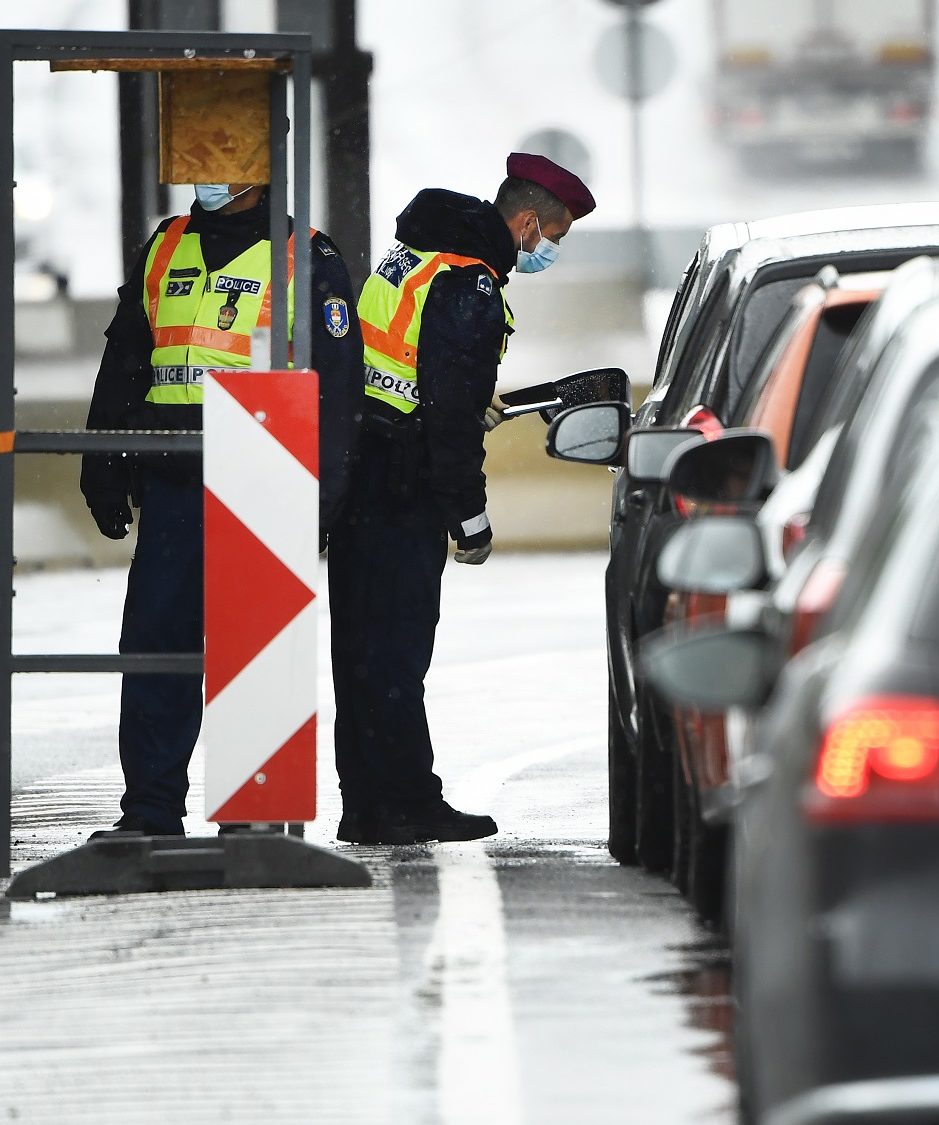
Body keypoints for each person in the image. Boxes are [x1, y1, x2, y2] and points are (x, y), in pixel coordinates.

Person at [80, 180, 361, 838]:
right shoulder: (166, 244)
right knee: (157, 645)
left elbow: (338, 387)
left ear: (259, 165)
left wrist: (325, 494)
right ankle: (149, 810)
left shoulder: (307, 257)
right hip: (174, 483)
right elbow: (126, 357)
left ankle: (252, 816)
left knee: (254, 651)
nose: (203, 172)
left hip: (263, 484)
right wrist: (103, 460)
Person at [331, 154, 594, 845]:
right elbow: (446, 415)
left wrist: (456, 403)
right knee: (397, 652)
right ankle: (408, 802)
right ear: (529, 221)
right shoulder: (470, 284)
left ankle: (366, 802)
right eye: (553, 237)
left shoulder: (415, 255)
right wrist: (469, 519)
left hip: (362, 472)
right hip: (402, 482)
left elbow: (406, 373)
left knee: (360, 649)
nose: (549, 252)